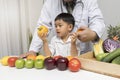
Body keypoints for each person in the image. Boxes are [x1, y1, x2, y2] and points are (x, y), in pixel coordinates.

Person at [20, 0, 105, 58]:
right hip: (59, 61)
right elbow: (42, 25)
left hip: (84, 55)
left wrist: (93, 34)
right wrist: (33, 50)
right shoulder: (50, 2)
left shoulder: (89, 1)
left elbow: (97, 20)